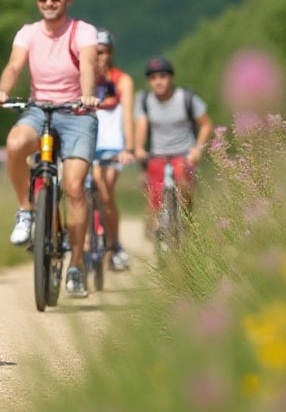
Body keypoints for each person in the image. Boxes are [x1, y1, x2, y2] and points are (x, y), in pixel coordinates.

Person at [0, 0, 99, 299]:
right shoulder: (28, 32)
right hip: (40, 108)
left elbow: (89, 66)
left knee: (75, 187)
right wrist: (3, 90)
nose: (48, 3)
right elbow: (13, 66)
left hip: (77, 112)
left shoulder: (84, 32)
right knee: (15, 143)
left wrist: (88, 95)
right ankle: (26, 209)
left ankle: (76, 266)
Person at [132, 56, 213, 235]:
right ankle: (156, 228)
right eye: (153, 78)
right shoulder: (145, 100)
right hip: (157, 154)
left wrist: (197, 149)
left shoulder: (186, 98)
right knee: (153, 191)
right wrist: (138, 149)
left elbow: (206, 124)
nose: (158, 82)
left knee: (184, 182)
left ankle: (187, 222)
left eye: (162, 76)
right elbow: (141, 125)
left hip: (184, 153)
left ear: (171, 78)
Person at [90, 29, 136, 271]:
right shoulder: (83, 79)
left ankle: (115, 244)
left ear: (111, 53)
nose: (99, 57)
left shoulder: (121, 80)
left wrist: (129, 147)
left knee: (106, 191)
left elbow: (128, 115)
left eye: (104, 52)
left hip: (112, 143)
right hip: (89, 142)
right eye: (95, 52)